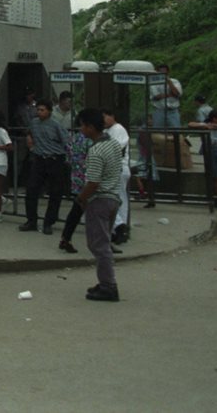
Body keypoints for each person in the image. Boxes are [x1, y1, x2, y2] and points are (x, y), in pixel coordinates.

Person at [75, 108, 124, 302]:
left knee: (99, 245)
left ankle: (108, 286)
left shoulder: (96, 150)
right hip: (113, 197)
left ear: (90, 127)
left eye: (82, 125)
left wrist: (81, 198)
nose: (81, 129)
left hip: (99, 200)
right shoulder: (112, 144)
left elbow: (93, 182)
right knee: (102, 243)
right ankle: (105, 282)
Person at [21, 100, 69, 235]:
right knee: (31, 189)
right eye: (38, 110)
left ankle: (49, 222)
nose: (40, 112)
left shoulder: (56, 125)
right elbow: (29, 132)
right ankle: (31, 220)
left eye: (42, 110)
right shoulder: (34, 123)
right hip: (39, 158)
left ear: (49, 111)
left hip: (55, 159)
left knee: (55, 192)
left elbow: (66, 140)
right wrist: (29, 139)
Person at [56, 123, 93, 255]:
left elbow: (68, 157)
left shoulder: (74, 139)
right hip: (89, 179)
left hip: (77, 178)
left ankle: (66, 238)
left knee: (76, 210)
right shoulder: (92, 141)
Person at [102, 111, 134, 245]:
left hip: (118, 167)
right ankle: (116, 228)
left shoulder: (119, 129)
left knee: (119, 198)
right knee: (114, 198)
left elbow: (117, 148)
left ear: (112, 116)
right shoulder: (107, 130)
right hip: (111, 168)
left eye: (104, 117)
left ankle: (122, 227)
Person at [150, 63, 183, 128]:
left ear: (168, 72)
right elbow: (157, 96)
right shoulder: (153, 83)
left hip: (173, 111)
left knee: (176, 131)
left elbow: (177, 93)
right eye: (161, 72)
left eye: (165, 72)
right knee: (157, 131)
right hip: (159, 110)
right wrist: (170, 94)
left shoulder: (175, 81)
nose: (163, 74)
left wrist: (169, 82)